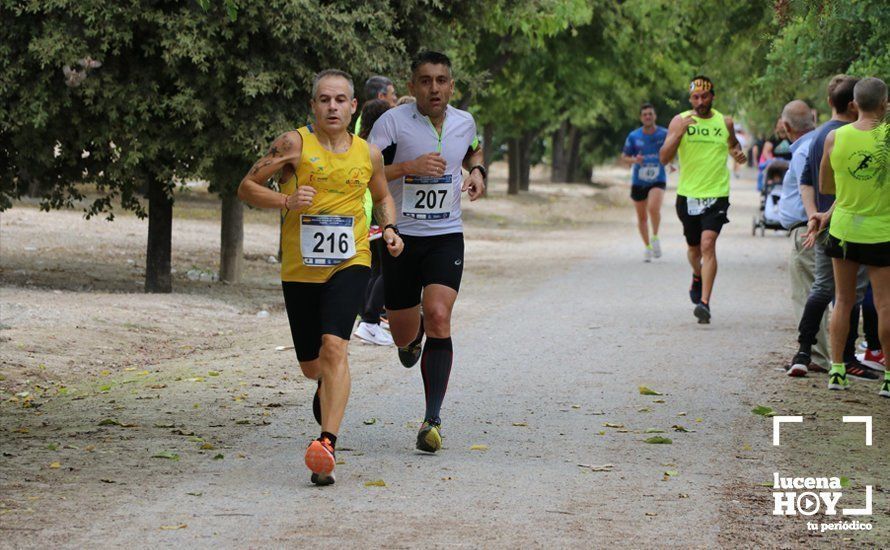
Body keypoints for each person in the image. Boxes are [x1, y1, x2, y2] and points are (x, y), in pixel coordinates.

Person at [237, 69, 404, 485]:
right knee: (313, 367)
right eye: (324, 100)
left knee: (335, 347)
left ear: (352, 107)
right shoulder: (294, 143)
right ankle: (325, 388)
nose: (332, 106)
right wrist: (286, 199)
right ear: (313, 105)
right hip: (300, 269)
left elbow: (382, 197)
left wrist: (391, 231)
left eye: (340, 100)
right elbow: (246, 186)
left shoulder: (368, 153)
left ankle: (326, 443)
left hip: (351, 261)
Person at [368, 51, 485, 452]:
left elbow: (473, 148)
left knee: (439, 314)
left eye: (441, 80)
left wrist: (477, 171)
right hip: (400, 238)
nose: (433, 88)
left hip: (445, 235)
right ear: (412, 84)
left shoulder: (463, 121)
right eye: (425, 80)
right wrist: (408, 166)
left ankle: (431, 420)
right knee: (403, 334)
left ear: (451, 85)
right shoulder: (391, 123)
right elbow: (364, 172)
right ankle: (409, 338)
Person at [787, 75, 879, 381]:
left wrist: (814, 215)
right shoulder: (865, 136)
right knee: (852, 297)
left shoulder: (820, 137)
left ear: (830, 103)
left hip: (828, 224)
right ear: (855, 105)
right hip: (858, 224)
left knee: (825, 292)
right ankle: (847, 359)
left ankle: (806, 353)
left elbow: (808, 182)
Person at [808, 77, 889, 395]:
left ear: (855, 104)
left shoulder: (835, 138)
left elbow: (827, 188)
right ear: (883, 103)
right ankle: (888, 379)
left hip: (844, 229)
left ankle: (837, 371)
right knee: (885, 305)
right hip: (882, 231)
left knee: (841, 301)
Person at [659, 75, 746, 324]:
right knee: (694, 249)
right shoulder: (680, 121)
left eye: (705, 96)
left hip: (717, 194)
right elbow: (664, 158)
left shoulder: (724, 122)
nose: (700, 101)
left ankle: (705, 303)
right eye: (695, 97)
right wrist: (678, 135)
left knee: (708, 244)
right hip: (688, 195)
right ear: (690, 99)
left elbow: (733, 145)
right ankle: (697, 275)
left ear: (712, 97)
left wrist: (737, 153)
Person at [775, 100, 829, 376]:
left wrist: (812, 221)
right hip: (816, 225)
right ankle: (823, 351)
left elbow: (811, 189)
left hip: (806, 229)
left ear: (786, 126)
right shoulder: (820, 141)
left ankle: (817, 353)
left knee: (807, 292)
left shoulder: (802, 151)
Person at [354, 99, 396, 346]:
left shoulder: (360, 144)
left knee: (373, 268)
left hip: (366, 212)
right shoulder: (379, 149)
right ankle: (369, 321)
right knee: (387, 269)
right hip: (376, 213)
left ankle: (367, 321)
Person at [620, 102, 668, 262]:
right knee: (641, 218)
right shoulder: (634, 136)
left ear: (655, 116)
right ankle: (647, 247)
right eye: (645, 114)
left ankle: (655, 237)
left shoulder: (664, 134)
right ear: (641, 118)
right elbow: (624, 157)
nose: (648, 116)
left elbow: (674, 148)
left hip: (657, 179)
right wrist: (635, 159)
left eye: (650, 114)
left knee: (653, 208)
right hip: (639, 180)